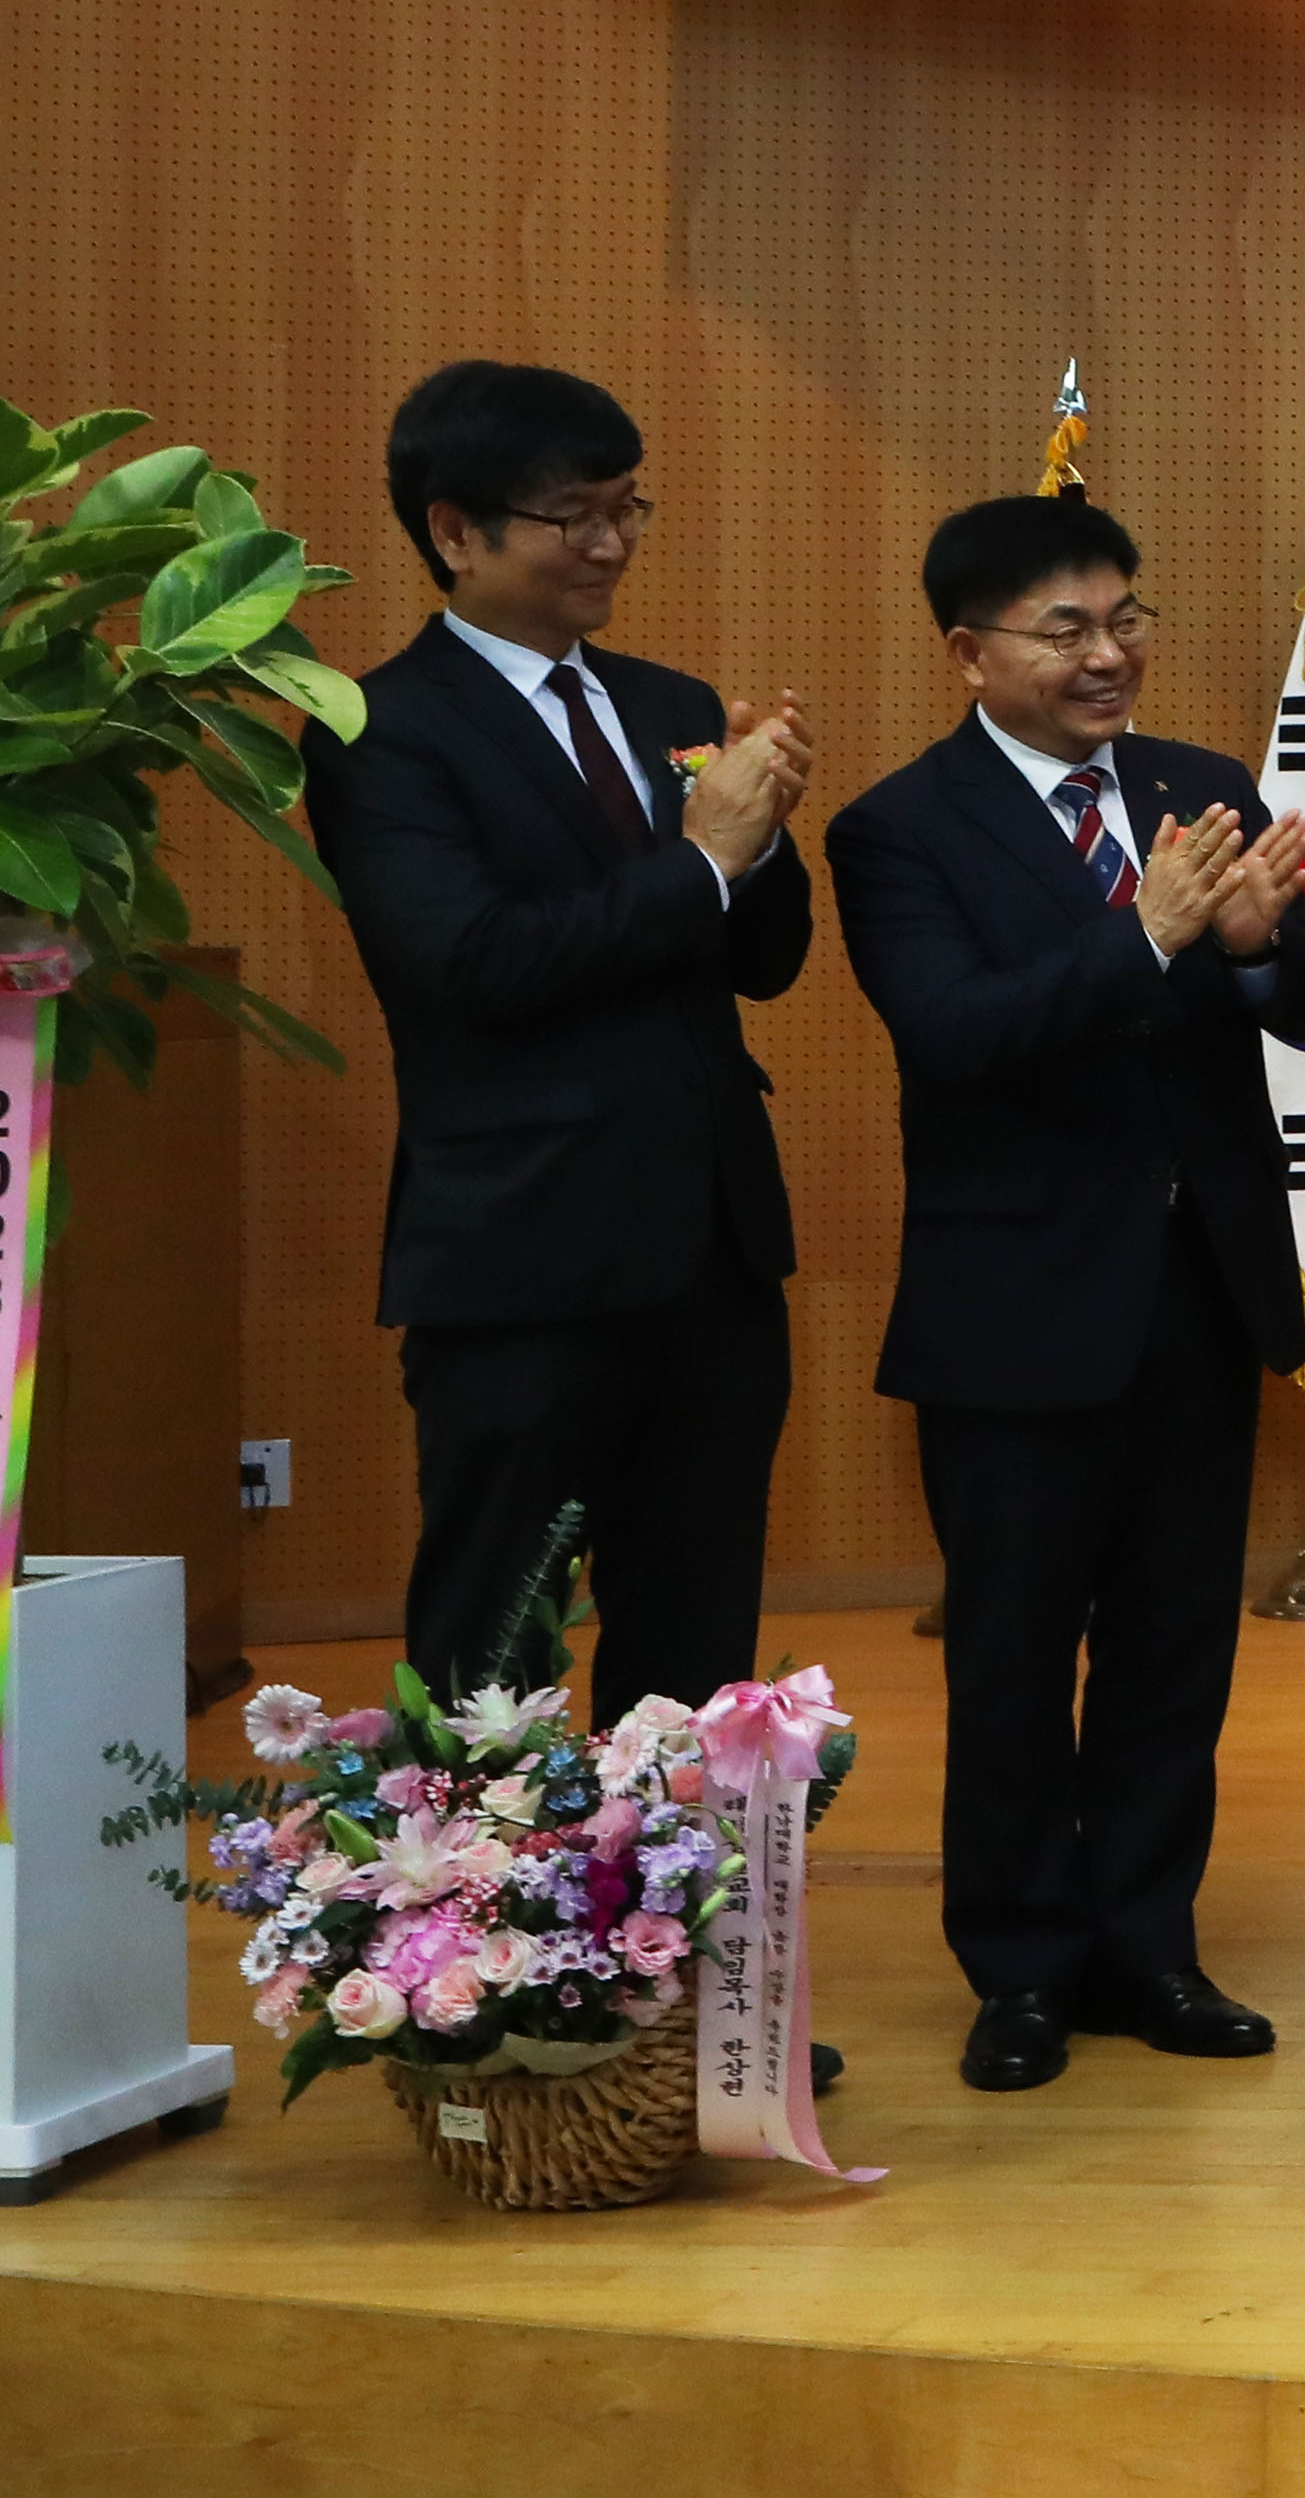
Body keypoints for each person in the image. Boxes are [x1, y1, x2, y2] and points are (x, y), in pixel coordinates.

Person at [828, 491, 1305, 2092]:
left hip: (1199, 1292)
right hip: (1017, 1308)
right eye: (1067, 629)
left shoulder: (1202, 788)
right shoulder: (898, 829)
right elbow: (954, 1032)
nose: (1109, 653)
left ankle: (1148, 1947)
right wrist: (1150, 937)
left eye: (1126, 619)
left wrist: (1253, 948)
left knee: (1173, 1650)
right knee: (1011, 1656)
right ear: (968, 651)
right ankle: (1021, 1968)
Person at [299, 360, 816, 1723]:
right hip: (520, 1252)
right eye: (570, 516)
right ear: (454, 532)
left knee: (696, 1634)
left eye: (627, 508)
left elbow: (765, 964)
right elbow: (475, 964)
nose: (610, 544)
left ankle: (678, 1869)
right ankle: (477, 1871)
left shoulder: (670, 704)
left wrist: (763, 843)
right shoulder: (381, 730)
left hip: (709, 1247)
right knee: (494, 1642)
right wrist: (703, 862)